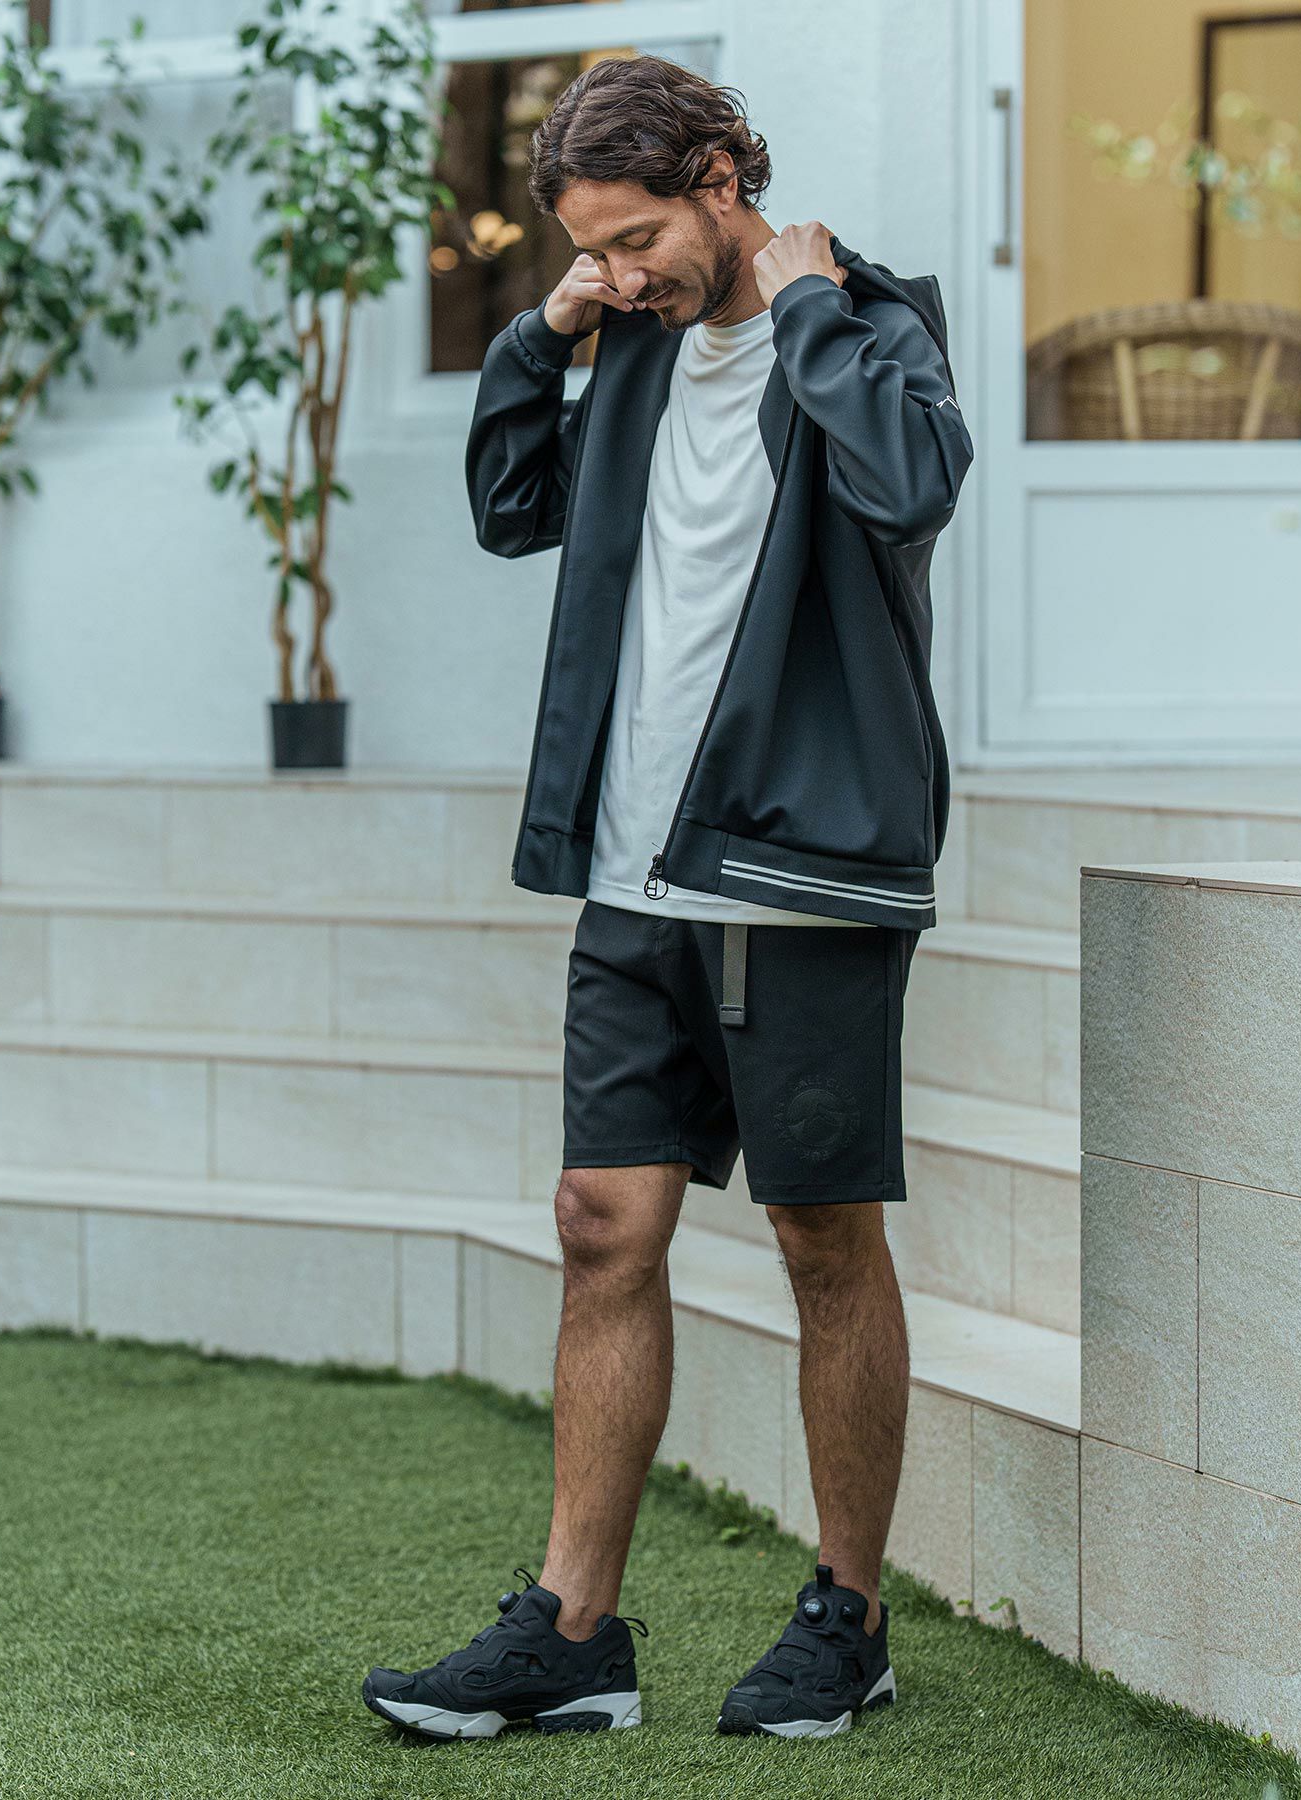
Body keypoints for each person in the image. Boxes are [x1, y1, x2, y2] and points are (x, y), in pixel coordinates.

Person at [363, 50, 973, 1743]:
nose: (618, 272)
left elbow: (912, 487)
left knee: (822, 1236)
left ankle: (847, 1618)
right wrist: (543, 334)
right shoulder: (626, 344)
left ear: (721, 179)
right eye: (590, 248)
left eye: (633, 239)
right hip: (632, 870)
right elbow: (511, 511)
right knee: (598, 1224)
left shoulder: (870, 326)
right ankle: (574, 1630)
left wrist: (807, 306)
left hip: (798, 871)